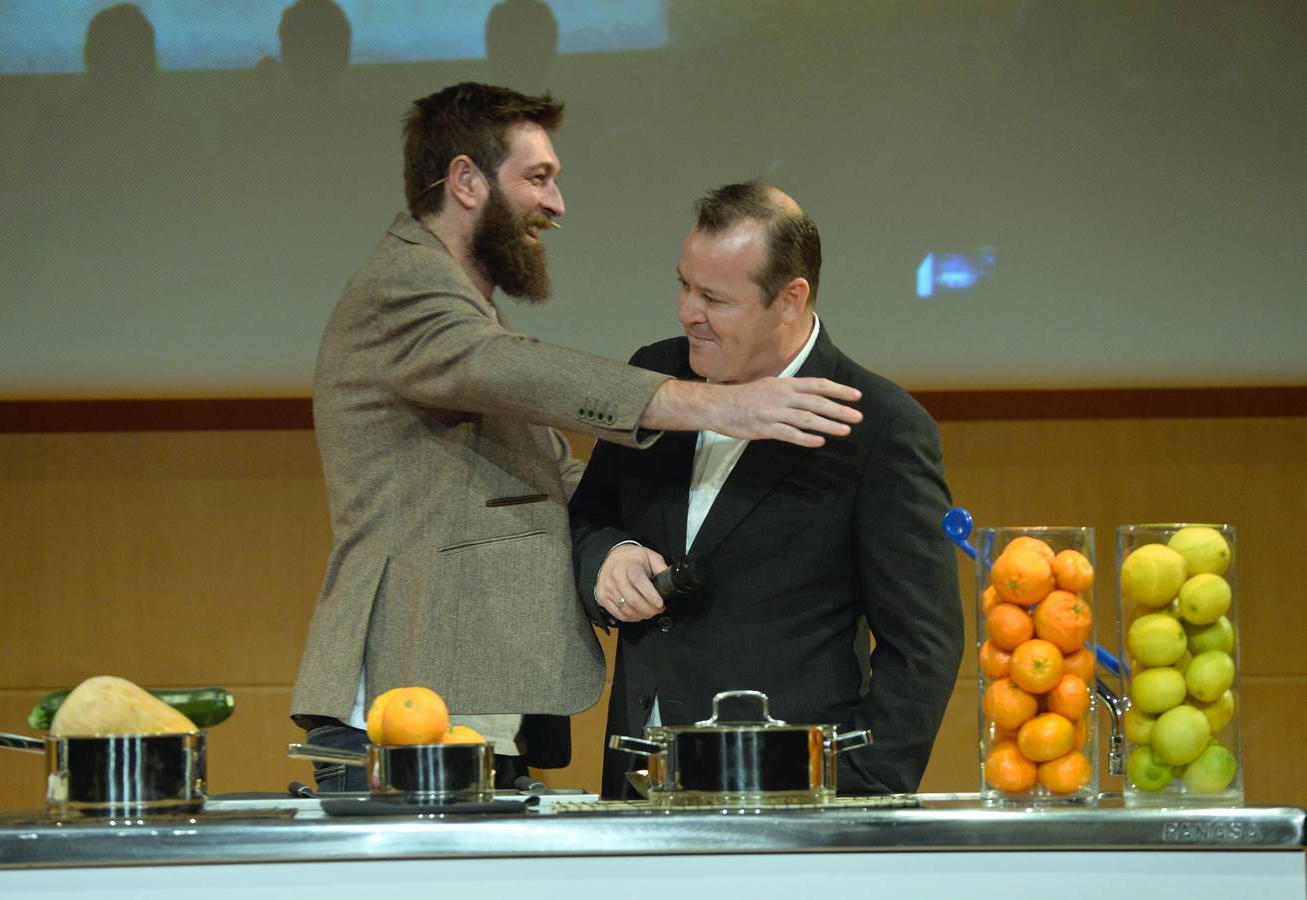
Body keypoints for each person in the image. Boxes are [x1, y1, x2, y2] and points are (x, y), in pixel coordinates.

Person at [289, 84, 864, 791]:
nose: (556, 204)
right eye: (538, 178)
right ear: (466, 181)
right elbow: (514, 369)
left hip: (461, 711)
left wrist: (614, 546)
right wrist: (719, 407)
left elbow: (544, 474)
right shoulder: (406, 288)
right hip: (400, 709)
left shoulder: (460, 307)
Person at [569, 180, 963, 798]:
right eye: (683, 286)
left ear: (789, 299)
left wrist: (856, 787)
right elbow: (585, 519)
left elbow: (924, 643)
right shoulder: (657, 376)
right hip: (637, 784)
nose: (686, 313)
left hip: (791, 795)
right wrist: (606, 559)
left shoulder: (879, 426)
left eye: (714, 298)